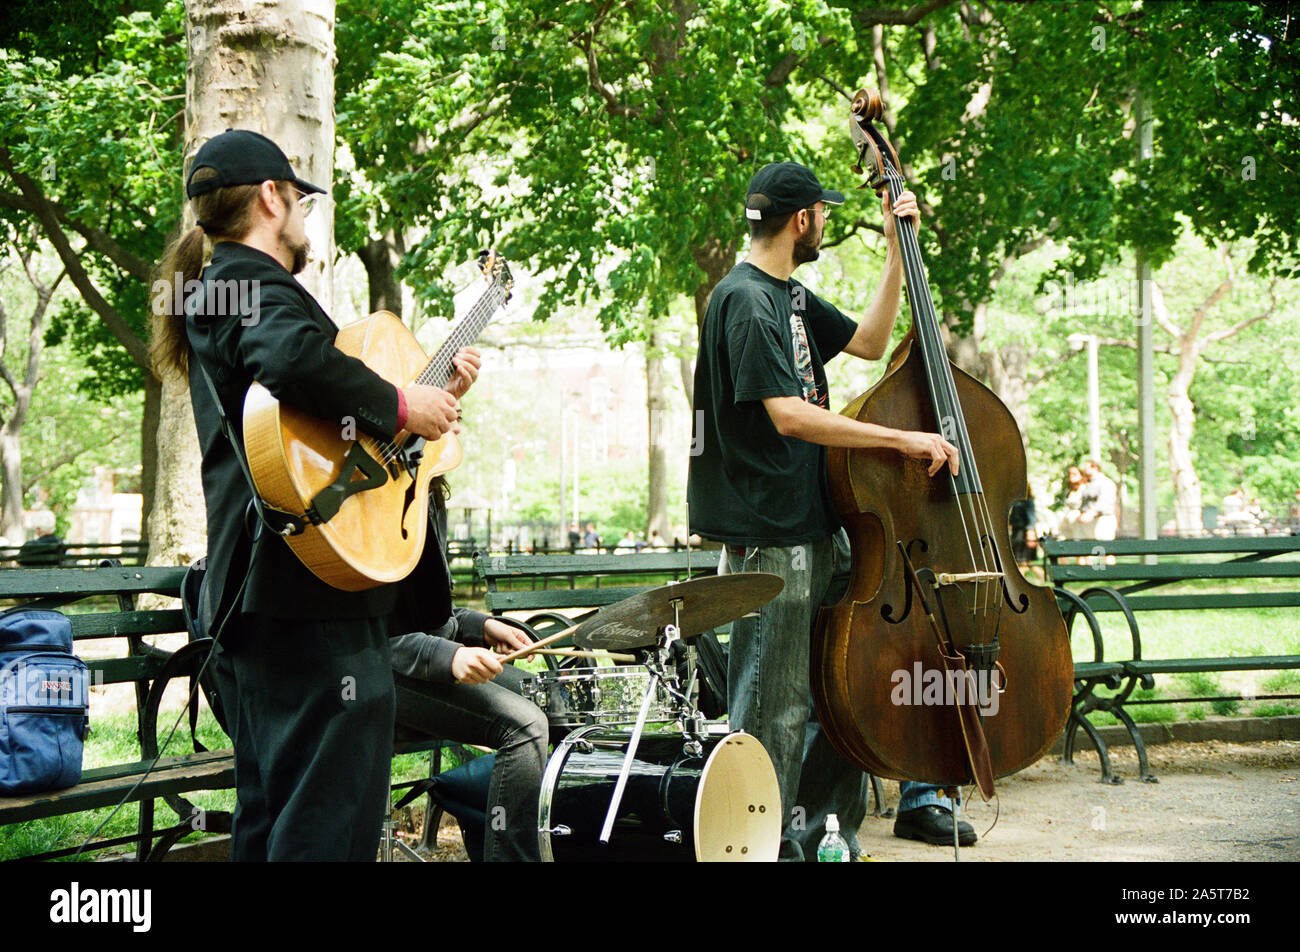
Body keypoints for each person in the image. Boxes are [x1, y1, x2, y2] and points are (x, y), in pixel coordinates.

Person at [151, 129, 478, 861]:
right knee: (327, 826)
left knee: (275, 822)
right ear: (271, 197)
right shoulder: (254, 285)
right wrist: (398, 406)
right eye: (298, 201)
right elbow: (291, 359)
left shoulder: (222, 289)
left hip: (273, 599)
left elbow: (321, 435)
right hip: (306, 603)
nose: (303, 219)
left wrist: (426, 402)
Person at [687, 161, 966, 859]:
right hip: (770, 534)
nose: (826, 224)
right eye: (824, 214)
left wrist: (899, 249)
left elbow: (870, 344)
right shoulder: (745, 301)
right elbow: (788, 416)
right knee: (773, 708)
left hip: (818, 526)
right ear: (803, 219)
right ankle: (761, 845)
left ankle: (824, 841)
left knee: (843, 691)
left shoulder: (793, 298)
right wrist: (900, 438)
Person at [389, 483, 548, 862]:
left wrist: (483, 626)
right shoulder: (381, 493)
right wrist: (448, 656)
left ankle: (497, 836)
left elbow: (431, 612)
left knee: (552, 697)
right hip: (382, 674)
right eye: (450, 420)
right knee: (526, 726)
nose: (453, 428)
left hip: (428, 658)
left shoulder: (429, 493)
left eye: (459, 420)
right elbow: (370, 629)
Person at [1079, 459, 1118, 543]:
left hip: (1103, 520)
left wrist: (1091, 514)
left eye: (1086, 467)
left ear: (1095, 468)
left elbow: (1105, 502)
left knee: (1106, 550)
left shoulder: (1105, 482)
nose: (1084, 470)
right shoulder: (1087, 484)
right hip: (1088, 522)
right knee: (1085, 550)